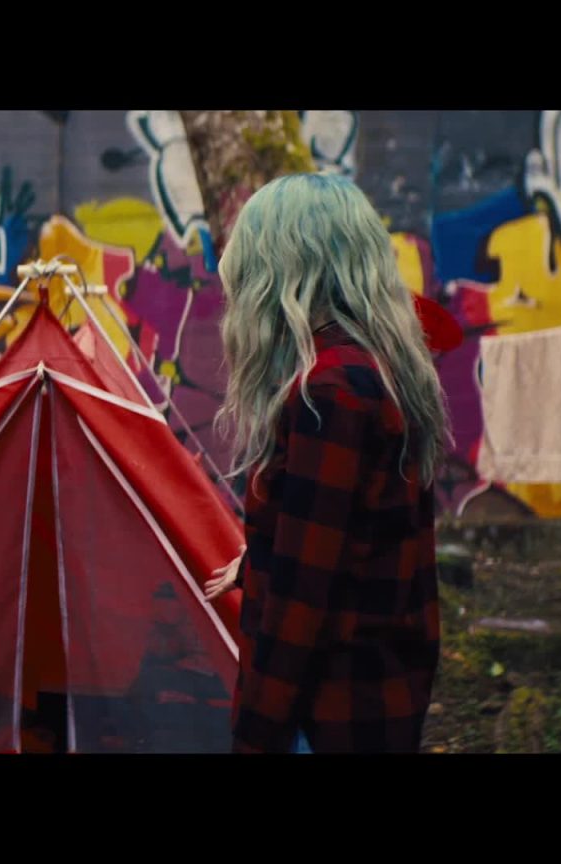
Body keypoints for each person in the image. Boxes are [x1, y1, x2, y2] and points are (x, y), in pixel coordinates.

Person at [202, 172, 449, 754]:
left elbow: (302, 603)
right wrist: (266, 555)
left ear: (284, 272)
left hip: (330, 714)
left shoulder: (329, 393)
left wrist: (255, 735)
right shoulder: (379, 368)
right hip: (378, 697)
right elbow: (356, 536)